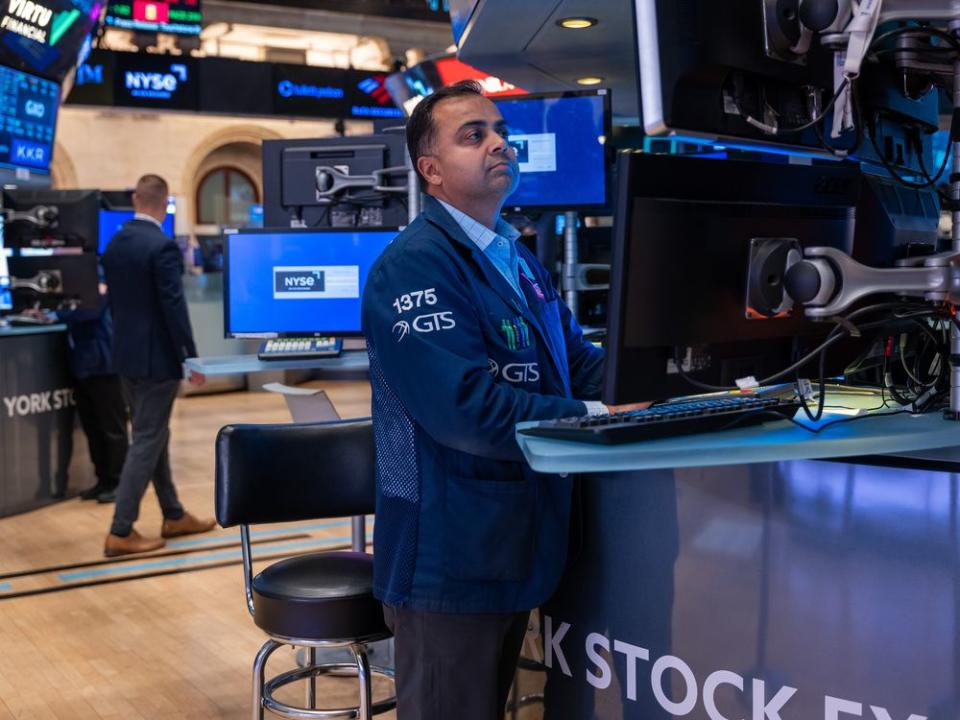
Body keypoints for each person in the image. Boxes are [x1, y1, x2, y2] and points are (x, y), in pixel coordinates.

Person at [361, 81, 640, 719]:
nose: (499, 145)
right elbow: (466, 409)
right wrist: (594, 418)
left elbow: (576, 368)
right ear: (430, 170)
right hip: (448, 559)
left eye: (499, 131)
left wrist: (667, 384)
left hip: (516, 548)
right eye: (473, 135)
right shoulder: (413, 267)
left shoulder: (516, 260)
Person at [100, 174, 214, 557]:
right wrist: (190, 357)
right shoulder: (161, 247)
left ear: (135, 199)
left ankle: (174, 514)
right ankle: (120, 530)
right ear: (165, 204)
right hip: (157, 361)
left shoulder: (115, 243)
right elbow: (173, 310)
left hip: (125, 357)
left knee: (154, 434)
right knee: (147, 439)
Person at [60, 285, 129, 504]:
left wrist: (58, 312)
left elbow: (89, 311)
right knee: (92, 428)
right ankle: (104, 480)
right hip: (82, 366)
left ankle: (120, 483)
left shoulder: (97, 277)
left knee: (112, 428)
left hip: (103, 364)